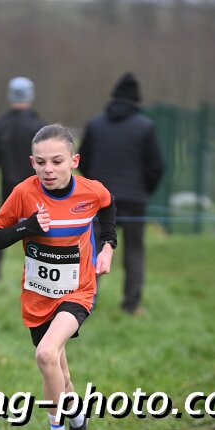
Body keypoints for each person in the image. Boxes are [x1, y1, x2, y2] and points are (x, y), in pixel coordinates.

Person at [0, 124, 117, 430]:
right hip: (38, 296)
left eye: (57, 161)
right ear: (32, 163)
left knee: (45, 355)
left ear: (74, 161)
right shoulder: (23, 193)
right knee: (61, 373)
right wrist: (27, 227)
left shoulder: (91, 191)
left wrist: (107, 246)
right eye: (41, 162)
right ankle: (78, 420)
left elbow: (107, 207)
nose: (49, 169)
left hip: (78, 291)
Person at [79, 72, 165, 315]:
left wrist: (95, 186)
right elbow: (157, 167)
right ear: (136, 99)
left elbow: (82, 161)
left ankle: (86, 302)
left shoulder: (95, 124)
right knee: (134, 251)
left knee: (95, 249)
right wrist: (144, 190)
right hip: (134, 200)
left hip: (100, 200)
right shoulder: (145, 127)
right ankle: (131, 304)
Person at [0, 77, 45, 281]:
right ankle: (41, 278)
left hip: (8, 189)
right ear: (31, 95)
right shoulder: (39, 126)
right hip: (37, 190)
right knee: (41, 230)